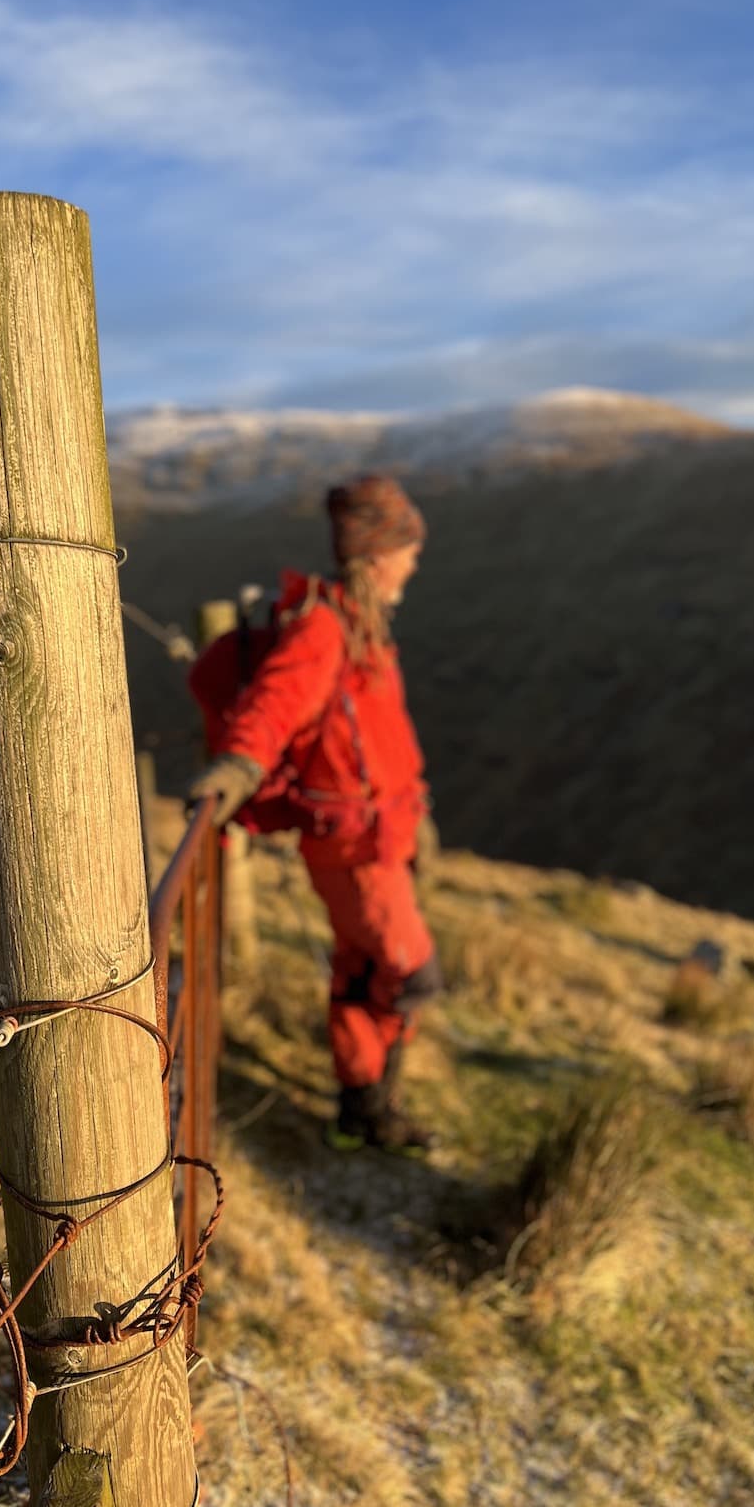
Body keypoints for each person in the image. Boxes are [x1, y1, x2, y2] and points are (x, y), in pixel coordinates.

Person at [187, 474, 443, 1155]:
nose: (414, 565)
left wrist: (417, 812)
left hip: (380, 834)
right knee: (409, 973)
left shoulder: (360, 625)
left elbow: (383, 738)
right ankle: (375, 1108)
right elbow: (276, 700)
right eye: (409, 552)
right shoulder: (326, 628)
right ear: (378, 555)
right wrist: (240, 764)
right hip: (354, 847)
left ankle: (359, 1109)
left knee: (362, 969)